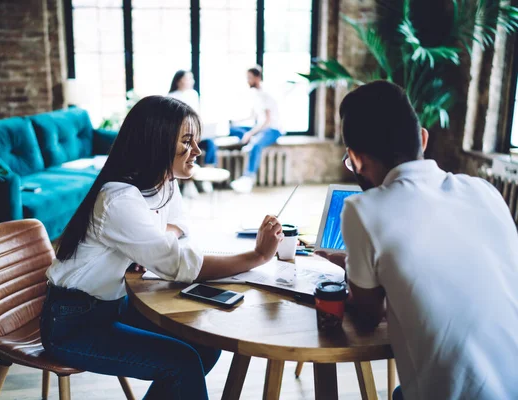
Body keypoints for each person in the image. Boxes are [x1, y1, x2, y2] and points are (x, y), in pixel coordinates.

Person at [40, 96, 284, 400]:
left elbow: (180, 226)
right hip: (73, 322)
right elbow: (176, 264)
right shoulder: (119, 199)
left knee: (205, 345)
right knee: (181, 364)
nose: (197, 150)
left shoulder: (163, 182)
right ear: (156, 142)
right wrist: (257, 255)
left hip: (115, 304)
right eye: (186, 141)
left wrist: (143, 244)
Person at [318, 81, 518, 400]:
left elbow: (370, 315)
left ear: (356, 160)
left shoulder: (363, 210)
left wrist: (351, 273)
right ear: (422, 138)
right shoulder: (485, 191)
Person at [228, 66, 283, 194]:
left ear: (257, 78)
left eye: (250, 78)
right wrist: (237, 122)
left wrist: (251, 133)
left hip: (273, 129)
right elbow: (253, 116)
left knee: (256, 144)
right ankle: (250, 140)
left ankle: (248, 178)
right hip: (261, 127)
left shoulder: (266, 94)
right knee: (232, 129)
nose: (247, 80)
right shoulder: (256, 94)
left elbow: (267, 121)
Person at [168, 70, 218, 169]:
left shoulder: (192, 94)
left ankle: (207, 172)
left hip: (195, 133)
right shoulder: (171, 97)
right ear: (179, 81)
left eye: (192, 79)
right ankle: (189, 174)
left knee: (210, 144)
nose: (192, 81)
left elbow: (196, 116)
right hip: (180, 135)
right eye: (188, 79)